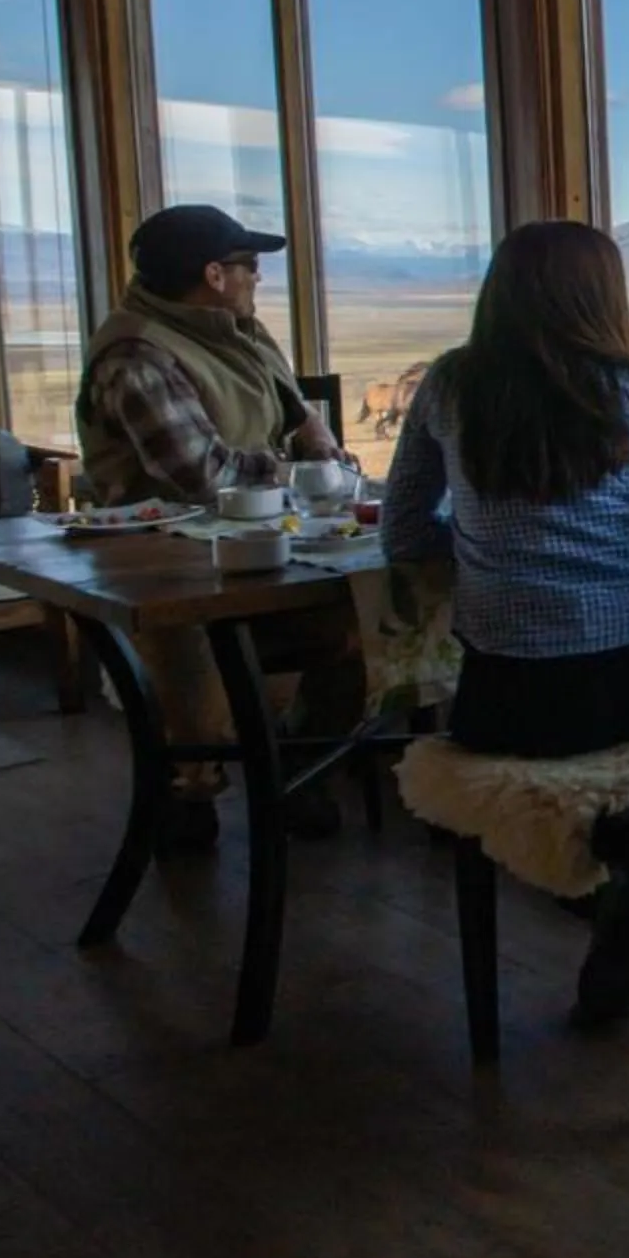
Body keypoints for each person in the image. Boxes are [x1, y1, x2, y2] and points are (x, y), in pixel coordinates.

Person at [380, 220, 629, 1021]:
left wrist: (479, 552)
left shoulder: (449, 387)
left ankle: (615, 901)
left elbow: (401, 529)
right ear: (608, 296)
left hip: (507, 703)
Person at [75, 203, 359, 849]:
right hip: (168, 565)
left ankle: (299, 765)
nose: (257, 280)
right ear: (213, 274)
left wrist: (306, 429)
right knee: (193, 706)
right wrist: (304, 468)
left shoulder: (234, 330)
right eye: (249, 268)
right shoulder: (137, 356)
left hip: (252, 539)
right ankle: (188, 791)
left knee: (362, 623)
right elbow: (203, 474)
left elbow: (283, 407)